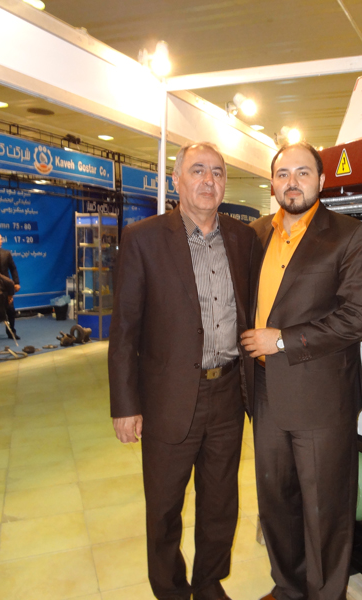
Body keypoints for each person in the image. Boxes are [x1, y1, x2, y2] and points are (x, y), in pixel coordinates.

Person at [109, 142, 259, 600]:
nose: (208, 181)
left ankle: (209, 583)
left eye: (217, 172)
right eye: (197, 171)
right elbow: (125, 329)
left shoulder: (243, 239)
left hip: (227, 393)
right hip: (168, 397)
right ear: (176, 180)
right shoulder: (143, 239)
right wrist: (125, 405)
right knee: (164, 507)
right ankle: (171, 590)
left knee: (220, 502)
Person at [240, 142, 362, 600]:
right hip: (264, 390)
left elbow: (357, 318)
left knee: (325, 509)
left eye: (303, 172)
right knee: (275, 501)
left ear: (321, 180)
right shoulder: (255, 234)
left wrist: (280, 340)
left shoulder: (350, 236)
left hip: (321, 395)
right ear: (272, 182)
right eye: (283, 174)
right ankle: (289, 588)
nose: (292, 182)